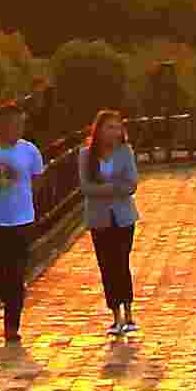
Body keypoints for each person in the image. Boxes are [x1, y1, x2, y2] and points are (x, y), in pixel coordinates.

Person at [0, 100, 48, 350]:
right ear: (0, 125)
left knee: (15, 273)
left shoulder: (30, 151)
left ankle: (11, 325)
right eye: (12, 124)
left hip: (22, 220)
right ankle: (12, 298)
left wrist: (22, 200)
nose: (17, 129)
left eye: (20, 124)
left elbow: (38, 180)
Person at [84, 109, 142, 342]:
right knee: (106, 265)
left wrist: (106, 189)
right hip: (99, 219)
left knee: (121, 261)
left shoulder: (125, 153)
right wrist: (113, 188)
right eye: (109, 127)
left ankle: (128, 312)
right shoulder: (86, 156)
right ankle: (115, 314)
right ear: (98, 131)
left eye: (117, 127)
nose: (113, 132)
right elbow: (86, 188)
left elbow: (131, 184)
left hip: (123, 217)